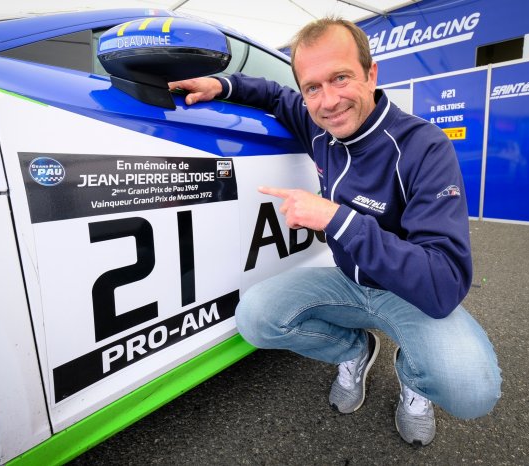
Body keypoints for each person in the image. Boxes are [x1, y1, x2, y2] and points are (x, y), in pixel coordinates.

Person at [169, 17, 501, 446]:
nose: (328, 101)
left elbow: (444, 284)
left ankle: (415, 375)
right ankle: (355, 352)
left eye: (340, 77)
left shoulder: (424, 146)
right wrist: (222, 86)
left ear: (371, 73)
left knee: (472, 390)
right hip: (348, 284)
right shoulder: (319, 127)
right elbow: (274, 94)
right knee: (255, 317)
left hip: (412, 298)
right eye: (313, 87)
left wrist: (336, 218)